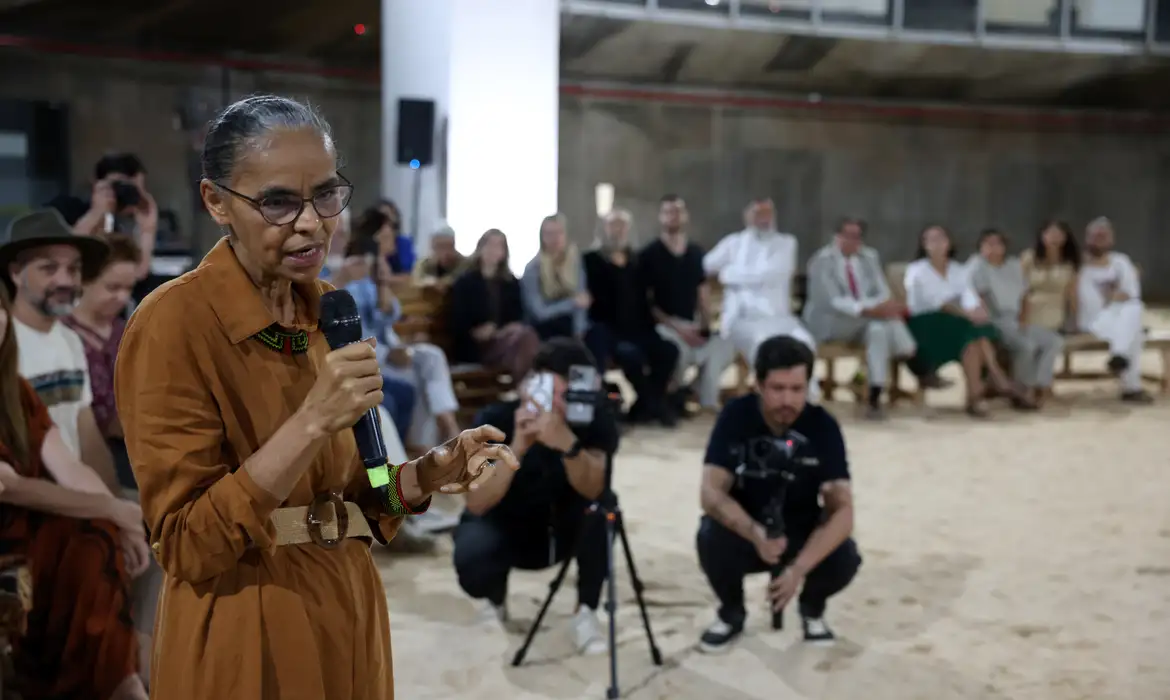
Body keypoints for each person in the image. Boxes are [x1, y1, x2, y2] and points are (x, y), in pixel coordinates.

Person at [112, 94, 518, 700]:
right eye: (278, 202)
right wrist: (311, 422)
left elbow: (361, 497)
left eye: (326, 195)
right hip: (245, 626)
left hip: (349, 614)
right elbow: (187, 543)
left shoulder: (329, 310)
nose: (312, 222)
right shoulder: (172, 324)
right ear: (216, 201)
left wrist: (426, 473)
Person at [0, 283, 152, 700]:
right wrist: (111, 508)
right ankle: (118, 685)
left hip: (30, 526)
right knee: (90, 541)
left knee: (99, 538)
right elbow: (7, 486)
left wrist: (123, 517)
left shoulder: (16, 390)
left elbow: (67, 466)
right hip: (10, 529)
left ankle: (120, 681)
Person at [696, 335, 861, 653]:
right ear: (759, 384)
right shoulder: (735, 416)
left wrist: (799, 568)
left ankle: (812, 608)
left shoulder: (823, 426)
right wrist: (755, 533)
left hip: (801, 528)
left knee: (846, 555)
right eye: (778, 389)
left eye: (797, 389)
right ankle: (731, 612)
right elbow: (710, 492)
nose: (788, 400)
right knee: (709, 535)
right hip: (747, 527)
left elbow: (843, 509)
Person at [452, 337, 615, 655]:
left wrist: (568, 444)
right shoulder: (495, 418)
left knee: (604, 509)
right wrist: (517, 446)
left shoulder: (595, 420)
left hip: (566, 530)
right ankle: (494, 600)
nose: (568, 401)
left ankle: (586, 610)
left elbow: (595, 488)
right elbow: (476, 502)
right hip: (509, 529)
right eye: (559, 391)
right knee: (474, 550)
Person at [1, 209, 120, 487]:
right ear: (16, 273)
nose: (65, 281)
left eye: (73, 269)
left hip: (78, 494)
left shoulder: (70, 340)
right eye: (49, 268)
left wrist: (114, 498)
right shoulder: (5, 342)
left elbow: (85, 429)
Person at [903, 225, 1033, 417]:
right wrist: (968, 314)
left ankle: (975, 397)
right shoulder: (917, 270)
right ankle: (997, 378)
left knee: (972, 339)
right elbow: (939, 302)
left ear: (949, 243)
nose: (937, 244)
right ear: (924, 245)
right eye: (932, 240)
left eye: (941, 238)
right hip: (926, 325)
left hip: (958, 324)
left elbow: (969, 295)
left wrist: (977, 310)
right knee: (972, 329)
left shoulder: (958, 270)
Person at [343, 237, 461, 446]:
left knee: (432, 356)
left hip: (390, 348)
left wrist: (383, 284)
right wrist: (387, 354)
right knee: (415, 380)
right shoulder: (344, 283)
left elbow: (388, 316)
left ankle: (448, 431)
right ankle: (425, 447)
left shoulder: (372, 282)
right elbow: (352, 336)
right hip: (369, 358)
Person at [803, 217, 916, 418]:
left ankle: (874, 395)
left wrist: (878, 307)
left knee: (878, 331)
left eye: (856, 236)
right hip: (830, 322)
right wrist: (869, 310)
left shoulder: (869, 257)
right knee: (884, 320)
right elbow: (831, 301)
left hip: (867, 320)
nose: (851, 240)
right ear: (836, 236)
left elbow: (882, 291)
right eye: (847, 235)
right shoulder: (821, 261)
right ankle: (910, 351)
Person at [583, 209, 679, 425]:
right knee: (630, 356)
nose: (618, 231)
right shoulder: (590, 260)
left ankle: (644, 406)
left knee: (669, 351)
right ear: (603, 229)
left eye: (622, 226)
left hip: (641, 329)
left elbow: (648, 300)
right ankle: (654, 406)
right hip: (609, 331)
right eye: (613, 225)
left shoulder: (638, 262)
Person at [640, 195, 734, 413]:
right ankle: (673, 398)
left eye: (678, 211)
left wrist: (705, 326)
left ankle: (701, 397)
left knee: (725, 345)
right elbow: (646, 302)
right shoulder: (649, 254)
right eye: (668, 212)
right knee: (676, 352)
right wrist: (677, 327)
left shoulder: (696, 253)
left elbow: (702, 291)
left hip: (691, 324)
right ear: (661, 217)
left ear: (685, 216)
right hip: (664, 326)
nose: (673, 216)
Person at [62, 233, 141, 489]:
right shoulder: (62, 336)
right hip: (79, 460)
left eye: (128, 289)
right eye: (112, 288)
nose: (122, 298)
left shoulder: (128, 331)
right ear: (84, 281)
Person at [703, 199, 816, 360]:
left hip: (779, 319)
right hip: (743, 321)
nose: (765, 219)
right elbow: (704, 265)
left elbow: (768, 275)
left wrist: (727, 274)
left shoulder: (786, 243)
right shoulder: (733, 243)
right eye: (759, 213)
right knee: (767, 350)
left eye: (768, 213)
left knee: (806, 344)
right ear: (747, 217)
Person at [967, 229, 1063, 407]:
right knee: (1025, 345)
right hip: (994, 319)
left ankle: (1041, 384)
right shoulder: (977, 266)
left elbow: (1025, 295)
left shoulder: (1013, 266)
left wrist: (1023, 319)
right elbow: (983, 298)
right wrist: (1007, 324)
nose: (993, 248)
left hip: (1016, 318)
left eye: (997, 243)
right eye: (988, 244)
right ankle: (1022, 391)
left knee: (1053, 340)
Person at [1076, 217, 1152, 403]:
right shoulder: (1079, 265)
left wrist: (1112, 297)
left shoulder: (1121, 262)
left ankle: (1119, 356)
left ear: (1111, 240)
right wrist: (1113, 295)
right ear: (1087, 238)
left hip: (1119, 317)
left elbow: (1131, 294)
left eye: (1103, 236)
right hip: (1092, 320)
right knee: (1133, 330)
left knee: (1134, 309)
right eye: (1095, 236)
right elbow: (1090, 300)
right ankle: (1130, 386)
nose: (1099, 240)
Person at [448, 229, 541, 380]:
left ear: (504, 252)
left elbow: (518, 315)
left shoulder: (510, 283)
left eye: (499, 246)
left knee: (525, 337)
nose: (493, 250)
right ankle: (525, 385)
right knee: (521, 343)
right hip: (475, 346)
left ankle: (523, 384)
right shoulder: (465, 282)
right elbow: (458, 320)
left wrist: (504, 329)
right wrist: (478, 331)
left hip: (506, 339)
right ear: (480, 248)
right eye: (489, 245)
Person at [54, 152, 158, 283]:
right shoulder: (69, 209)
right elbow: (64, 257)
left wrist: (147, 231)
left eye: (133, 189)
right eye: (119, 187)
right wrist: (95, 214)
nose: (124, 194)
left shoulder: (134, 221)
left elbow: (137, 274)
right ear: (97, 184)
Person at [521, 213, 591, 340]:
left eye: (559, 233)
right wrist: (571, 303)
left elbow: (582, 301)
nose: (555, 238)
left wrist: (579, 331)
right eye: (549, 234)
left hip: (572, 327)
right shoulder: (533, 268)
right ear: (542, 237)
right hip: (544, 327)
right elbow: (539, 312)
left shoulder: (575, 263)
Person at [1019, 220, 1080, 334]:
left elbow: (1072, 295)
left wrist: (1074, 321)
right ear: (1042, 235)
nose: (1054, 238)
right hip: (1030, 312)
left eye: (1058, 234)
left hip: (1056, 314)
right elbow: (1020, 287)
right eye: (1050, 234)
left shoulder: (1069, 264)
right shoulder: (1028, 258)